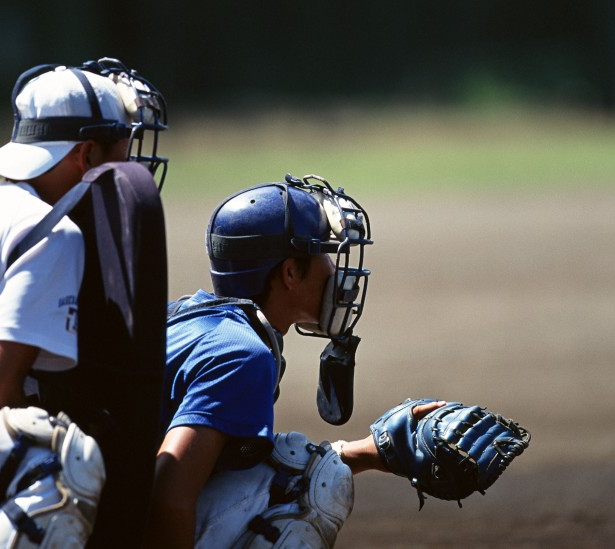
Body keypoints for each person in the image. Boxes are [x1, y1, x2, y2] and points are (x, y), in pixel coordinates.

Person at [0, 57, 168, 547]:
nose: (131, 161)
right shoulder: (51, 233)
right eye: (122, 145)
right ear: (85, 154)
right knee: (58, 460)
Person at [147, 174, 446, 548]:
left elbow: (233, 465)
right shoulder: (242, 354)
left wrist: (368, 453)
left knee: (304, 475)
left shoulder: (194, 316)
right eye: (323, 253)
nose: (334, 270)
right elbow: (168, 495)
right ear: (290, 272)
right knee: (306, 500)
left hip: (92, 507)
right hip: (102, 527)